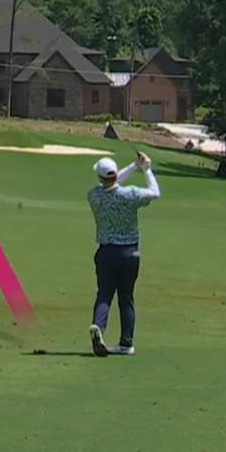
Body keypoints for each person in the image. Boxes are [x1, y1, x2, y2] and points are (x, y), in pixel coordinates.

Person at [86, 152, 161, 357]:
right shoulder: (131, 194)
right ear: (115, 174)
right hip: (130, 254)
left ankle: (98, 328)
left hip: (106, 253)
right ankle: (126, 344)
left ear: (100, 177)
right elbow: (155, 193)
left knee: (104, 294)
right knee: (126, 297)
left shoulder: (94, 195)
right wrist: (145, 169)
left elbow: (112, 181)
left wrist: (133, 166)